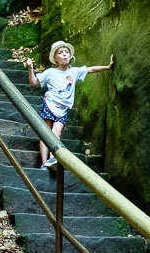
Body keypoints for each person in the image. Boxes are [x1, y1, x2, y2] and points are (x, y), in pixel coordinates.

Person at [25, 41, 114, 169]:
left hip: (63, 109)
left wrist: (108, 67)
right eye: (60, 53)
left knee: (57, 133)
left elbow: (91, 69)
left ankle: (52, 159)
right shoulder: (50, 72)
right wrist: (30, 69)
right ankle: (44, 163)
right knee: (45, 133)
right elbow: (34, 82)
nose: (64, 55)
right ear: (55, 58)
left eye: (66, 52)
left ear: (70, 55)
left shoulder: (75, 71)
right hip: (50, 104)